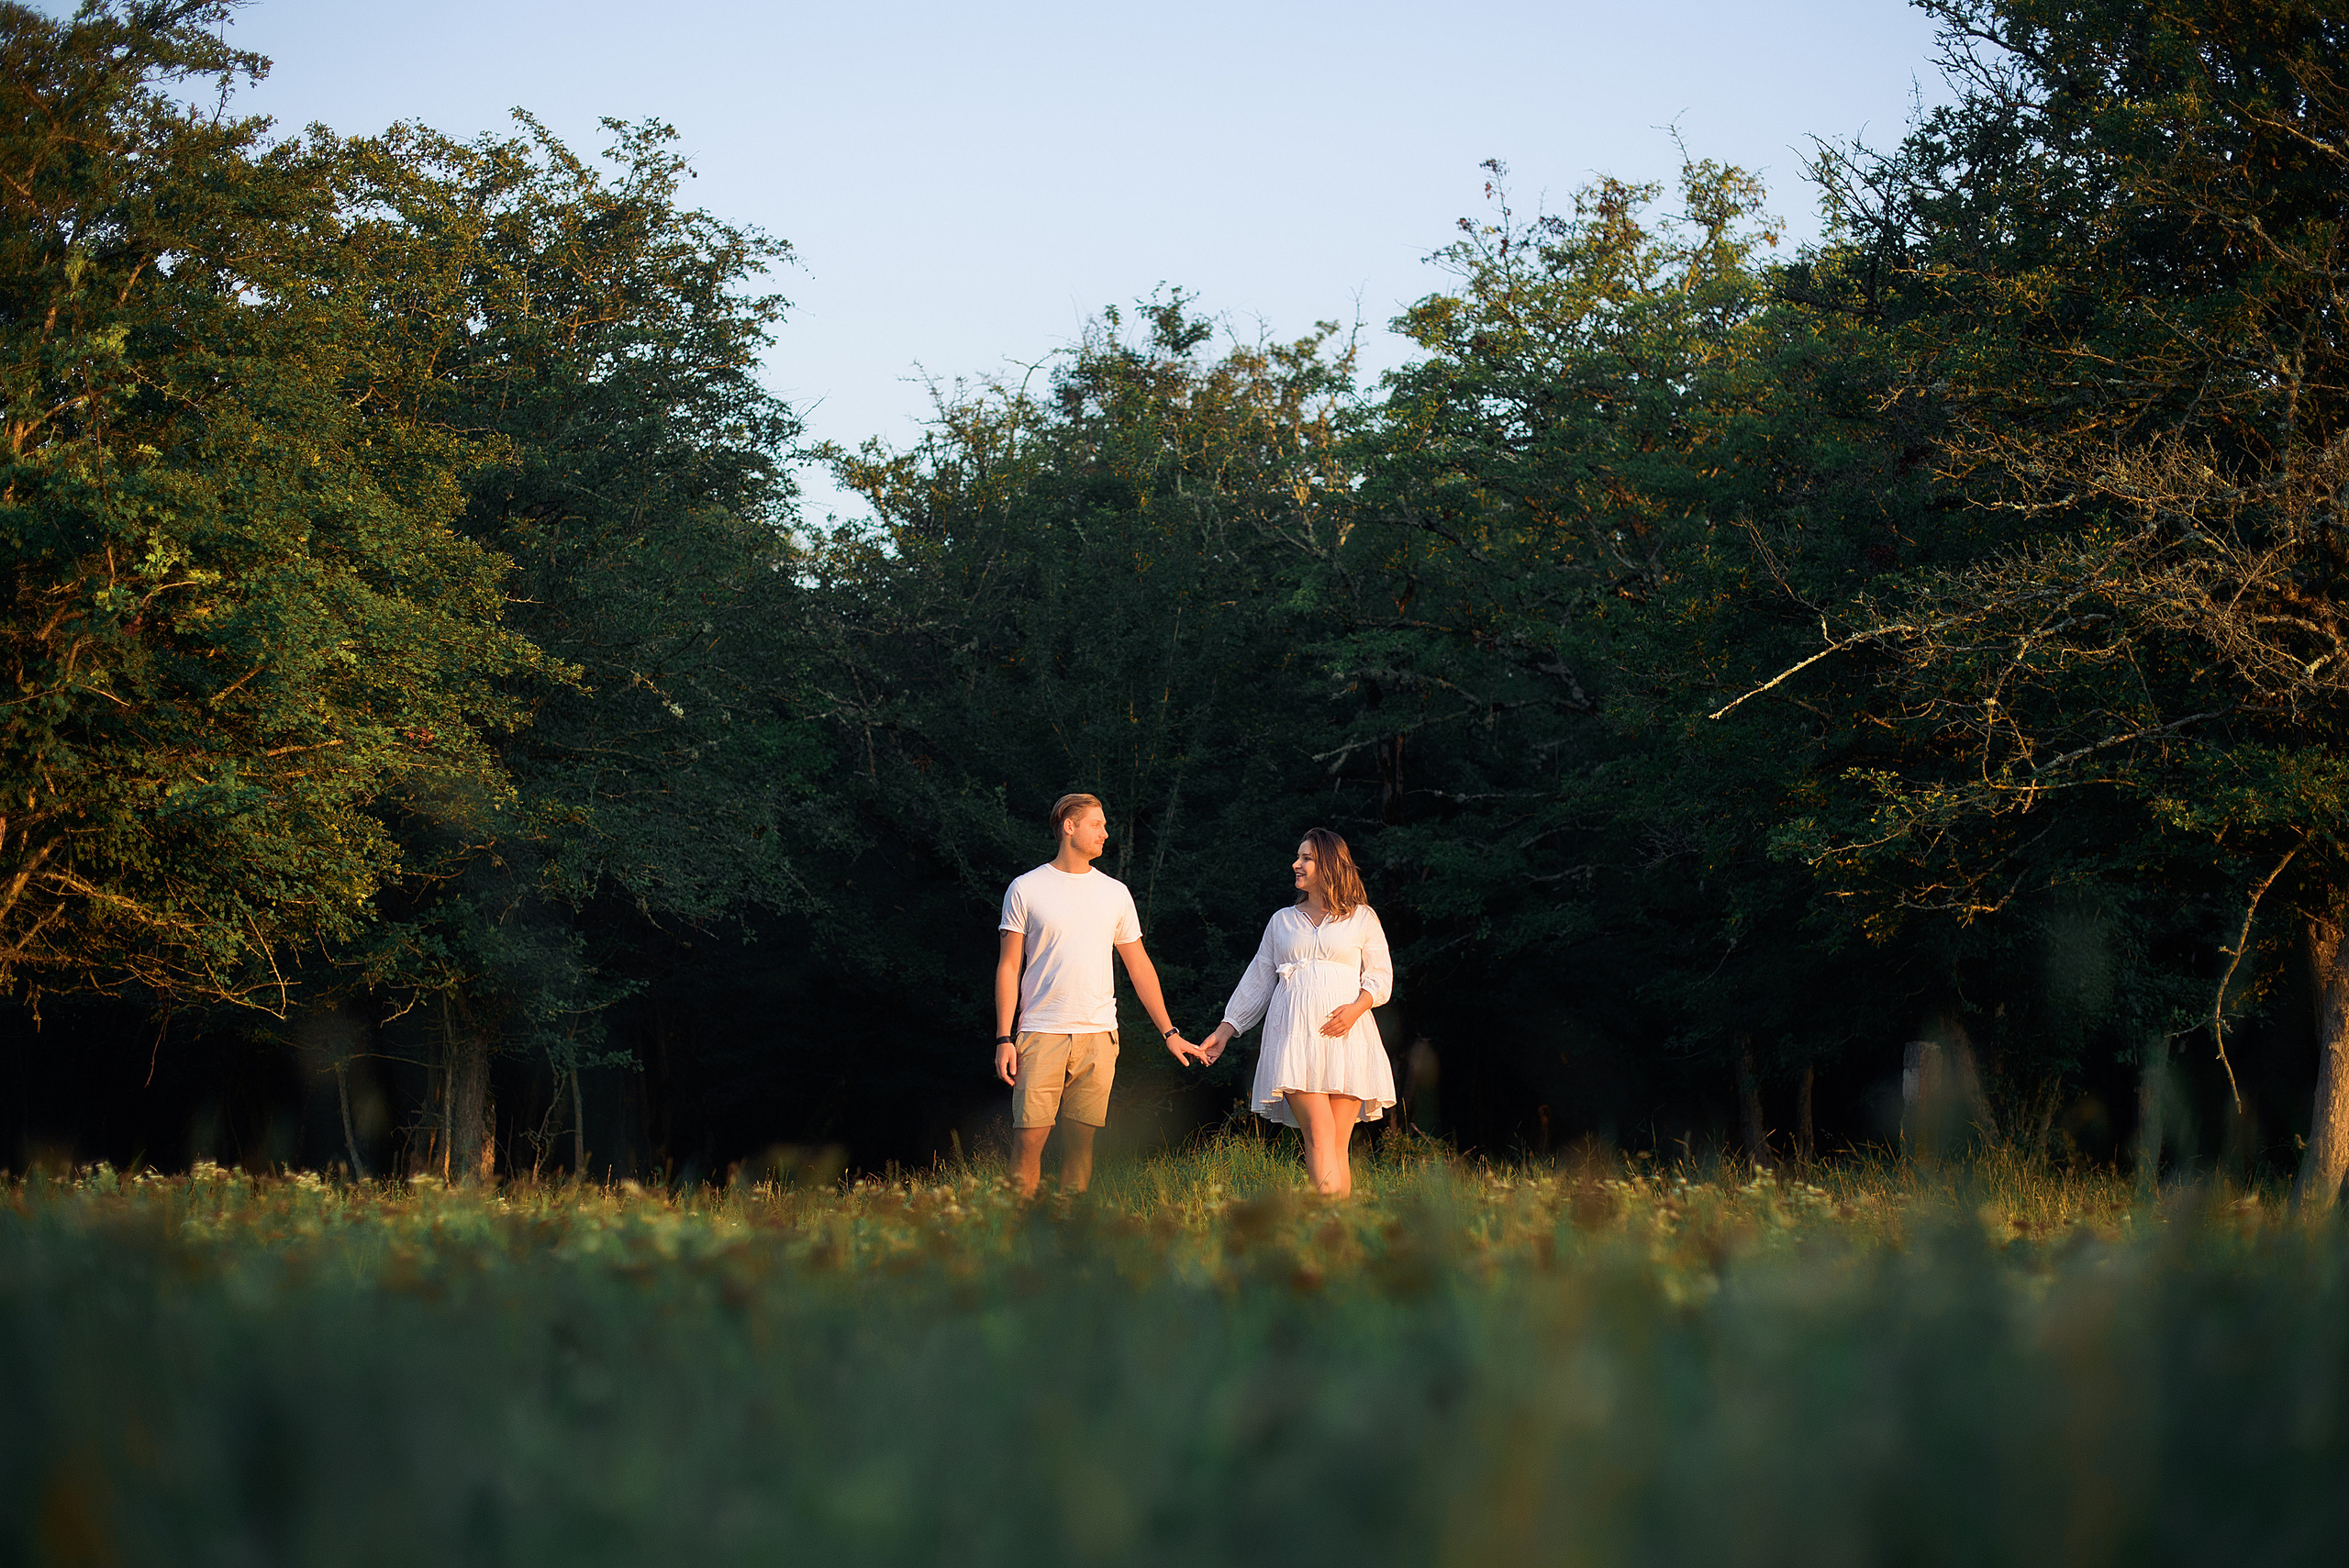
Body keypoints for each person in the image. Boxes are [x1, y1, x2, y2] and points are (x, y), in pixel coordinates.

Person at [996, 793, 1200, 1197]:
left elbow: (1139, 966)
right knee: (1029, 1140)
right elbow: (1008, 966)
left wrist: (1170, 1032)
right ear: (1069, 826)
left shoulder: (1115, 893)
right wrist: (1004, 1037)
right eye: (1097, 824)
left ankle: (1070, 1227)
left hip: (1098, 1035)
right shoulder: (1026, 888)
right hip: (1041, 1031)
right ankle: (1017, 1228)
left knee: (1081, 1144)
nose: (1105, 833)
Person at [1197, 828, 1396, 1197]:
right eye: (1298, 856)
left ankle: (1339, 1225)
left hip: (1349, 1036)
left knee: (1337, 1142)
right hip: (1295, 1038)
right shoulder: (1283, 921)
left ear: (1330, 864)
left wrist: (1356, 1009)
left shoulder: (1362, 918)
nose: (1296, 864)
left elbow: (1380, 977)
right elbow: (1258, 980)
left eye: (1306, 858)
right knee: (1319, 1134)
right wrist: (1226, 1030)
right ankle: (1328, 1219)